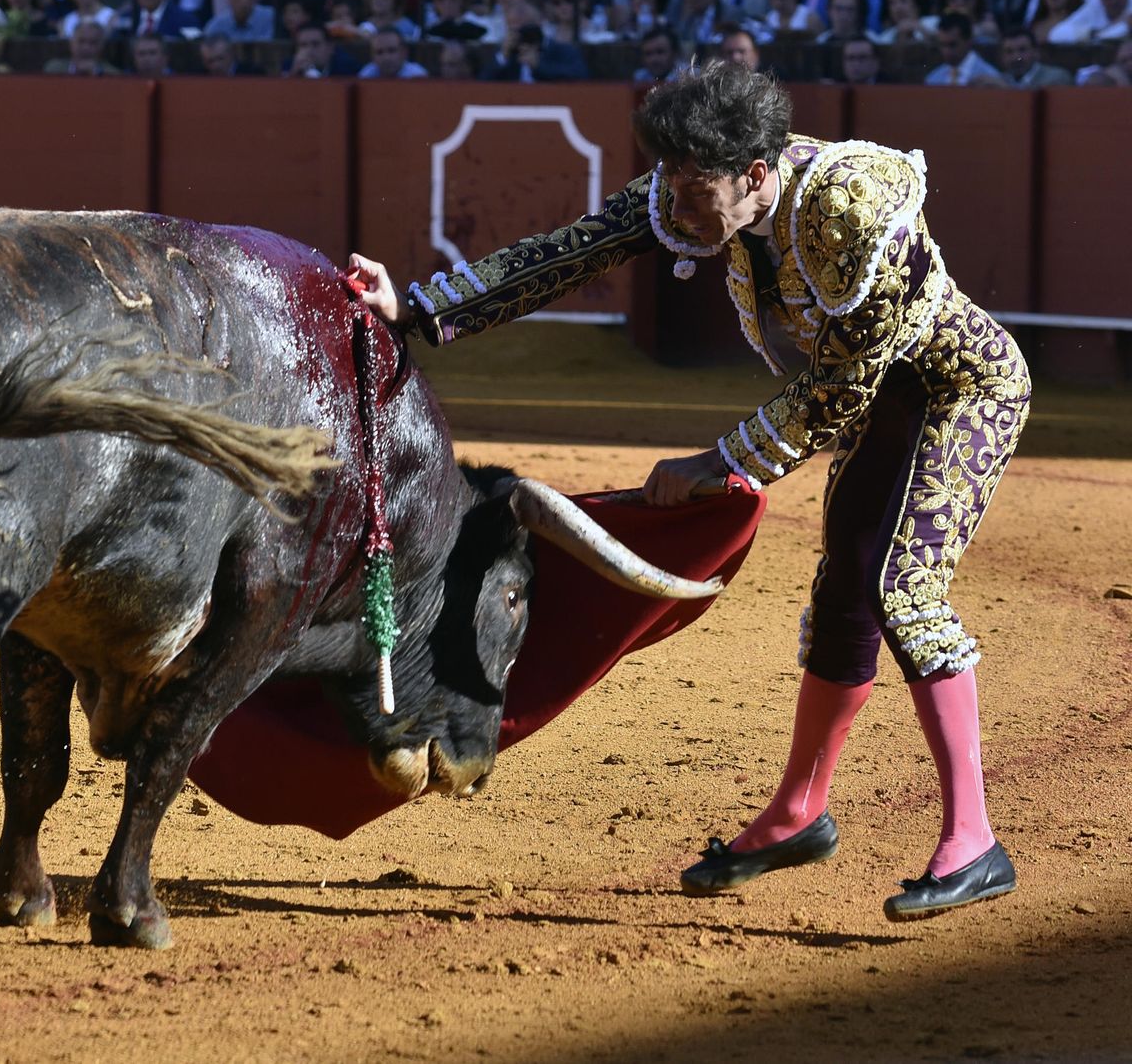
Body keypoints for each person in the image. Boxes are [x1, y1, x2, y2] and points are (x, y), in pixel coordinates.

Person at [347, 61, 1032, 923]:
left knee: (899, 588)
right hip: (874, 404)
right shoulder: (690, 186)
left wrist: (721, 461)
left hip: (958, 394)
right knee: (845, 599)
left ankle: (975, 838)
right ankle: (797, 813)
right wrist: (415, 308)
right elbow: (571, 251)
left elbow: (842, 389)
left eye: (690, 181)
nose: (672, 199)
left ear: (754, 177)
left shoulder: (853, 210)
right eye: (666, 174)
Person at [924, 8, 1005, 81]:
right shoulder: (933, 79)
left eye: (952, 45)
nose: (946, 51)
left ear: (968, 41)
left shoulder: (991, 77)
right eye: (942, 45)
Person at [998, 24, 1074, 83]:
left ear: (1036, 52)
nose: (1016, 57)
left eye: (1022, 50)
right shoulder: (999, 81)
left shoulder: (1057, 78)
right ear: (1002, 56)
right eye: (1009, 52)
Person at [358, 24, 428, 76]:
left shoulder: (417, 76)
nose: (386, 57)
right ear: (372, 56)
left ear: (404, 52)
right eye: (379, 52)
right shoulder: (366, 75)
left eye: (392, 51)